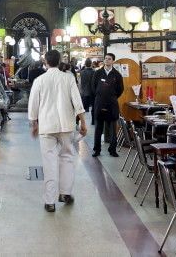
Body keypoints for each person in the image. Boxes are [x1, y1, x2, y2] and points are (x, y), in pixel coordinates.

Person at [28, 49, 87, 212]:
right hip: (66, 125)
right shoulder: (68, 78)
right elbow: (77, 101)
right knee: (67, 158)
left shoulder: (39, 80)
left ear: (45, 62)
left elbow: (33, 105)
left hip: (46, 126)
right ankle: (65, 193)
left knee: (49, 162)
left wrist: (33, 124)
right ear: (60, 61)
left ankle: (49, 202)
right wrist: (83, 122)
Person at [91, 53, 124, 157]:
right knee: (98, 129)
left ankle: (112, 150)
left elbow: (120, 90)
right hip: (99, 104)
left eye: (109, 59)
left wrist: (111, 97)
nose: (107, 60)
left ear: (113, 61)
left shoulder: (117, 75)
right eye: (105, 59)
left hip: (112, 104)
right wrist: (100, 95)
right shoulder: (97, 73)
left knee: (113, 129)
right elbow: (93, 87)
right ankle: (97, 150)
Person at [79, 58, 95, 125]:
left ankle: (78, 121)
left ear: (85, 64)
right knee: (93, 108)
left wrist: (80, 91)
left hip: (84, 92)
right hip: (92, 92)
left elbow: (80, 83)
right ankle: (93, 121)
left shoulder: (82, 72)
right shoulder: (94, 72)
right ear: (91, 64)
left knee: (82, 109)